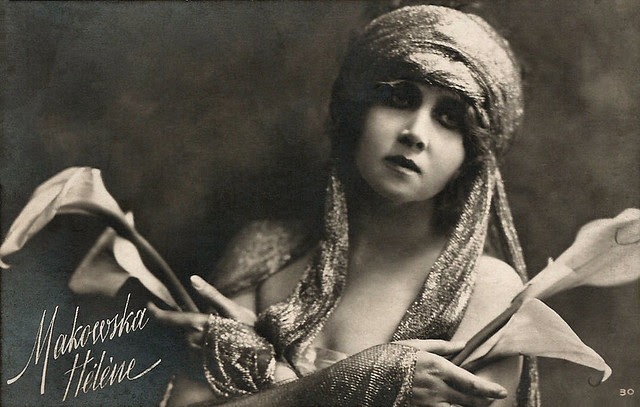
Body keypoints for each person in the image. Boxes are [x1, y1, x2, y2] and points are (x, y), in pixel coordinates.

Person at [149, 5, 540, 407]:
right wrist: (347, 382)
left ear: (471, 158)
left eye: (449, 118)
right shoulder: (264, 253)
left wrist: (279, 380)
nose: (415, 133)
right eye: (400, 98)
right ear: (357, 112)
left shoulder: (485, 289)